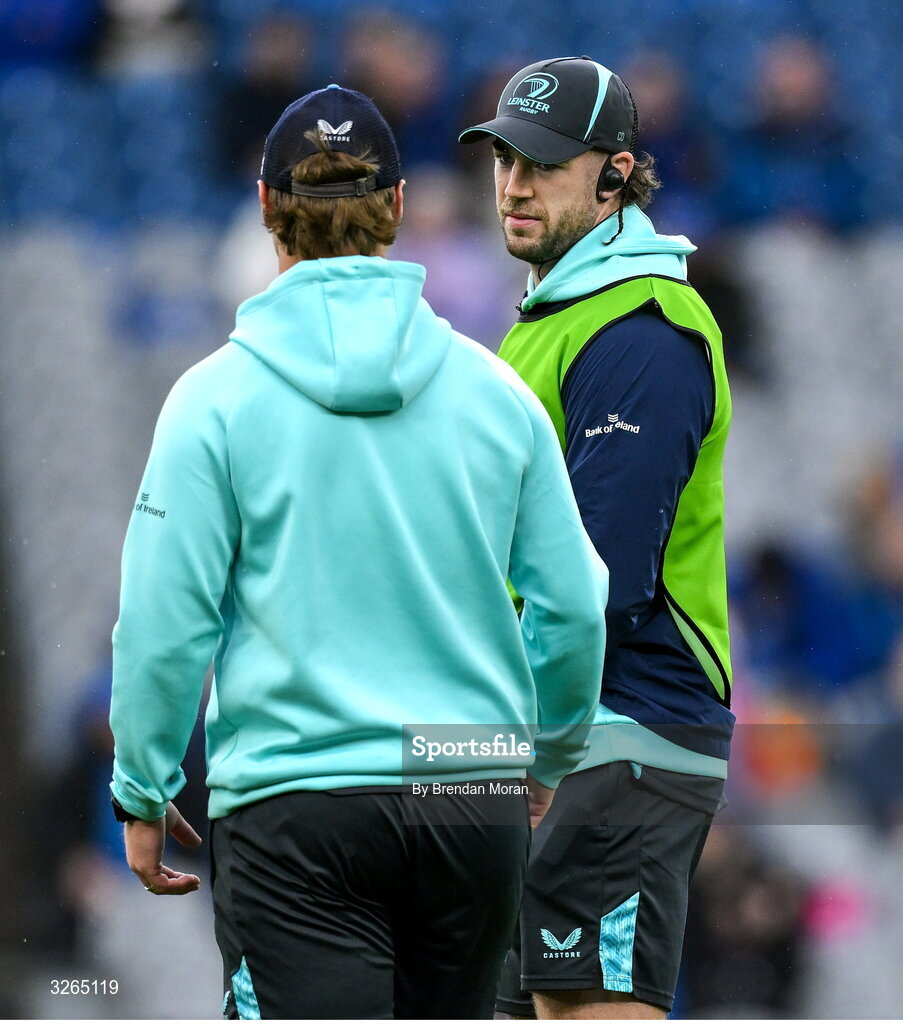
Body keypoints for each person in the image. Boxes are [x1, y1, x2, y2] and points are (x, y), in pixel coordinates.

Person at [108, 84, 609, 1020]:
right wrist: (543, 760)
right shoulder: (496, 394)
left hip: (297, 803)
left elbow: (164, 624)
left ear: (265, 210)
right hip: (470, 788)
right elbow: (575, 605)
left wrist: (144, 787)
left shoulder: (213, 400)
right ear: (400, 205)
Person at [459, 56, 734, 1019]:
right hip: (557, 723)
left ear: (615, 174)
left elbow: (603, 579)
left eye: (542, 163)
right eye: (502, 160)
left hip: (623, 723)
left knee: (592, 1011)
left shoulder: (643, 328)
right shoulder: (552, 317)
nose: (513, 185)